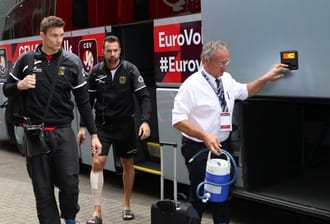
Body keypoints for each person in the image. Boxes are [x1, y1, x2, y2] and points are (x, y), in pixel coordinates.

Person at [172, 40, 289, 224]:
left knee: (223, 196)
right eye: (221, 62)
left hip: (221, 146)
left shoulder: (226, 79)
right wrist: (204, 135)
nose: (225, 66)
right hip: (198, 148)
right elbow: (178, 120)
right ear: (205, 60)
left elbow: (245, 91)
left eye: (227, 61)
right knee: (200, 194)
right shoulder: (191, 85)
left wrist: (266, 78)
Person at [2, 16, 102, 224]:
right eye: (54, 36)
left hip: (63, 132)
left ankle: (70, 219)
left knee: (70, 183)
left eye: (61, 35)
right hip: (35, 134)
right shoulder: (26, 61)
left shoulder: (72, 62)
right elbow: (7, 89)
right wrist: (20, 85)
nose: (59, 40)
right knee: (42, 189)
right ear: (42, 36)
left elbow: (84, 102)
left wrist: (94, 134)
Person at [77, 35, 151, 224]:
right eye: (109, 51)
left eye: (115, 50)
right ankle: (97, 211)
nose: (112, 54)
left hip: (125, 125)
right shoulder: (95, 72)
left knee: (127, 164)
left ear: (120, 51)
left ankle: (126, 205)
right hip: (102, 126)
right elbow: (87, 102)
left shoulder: (130, 69)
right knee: (97, 163)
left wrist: (145, 121)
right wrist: (83, 127)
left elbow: (144, 96)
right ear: (103, 52)